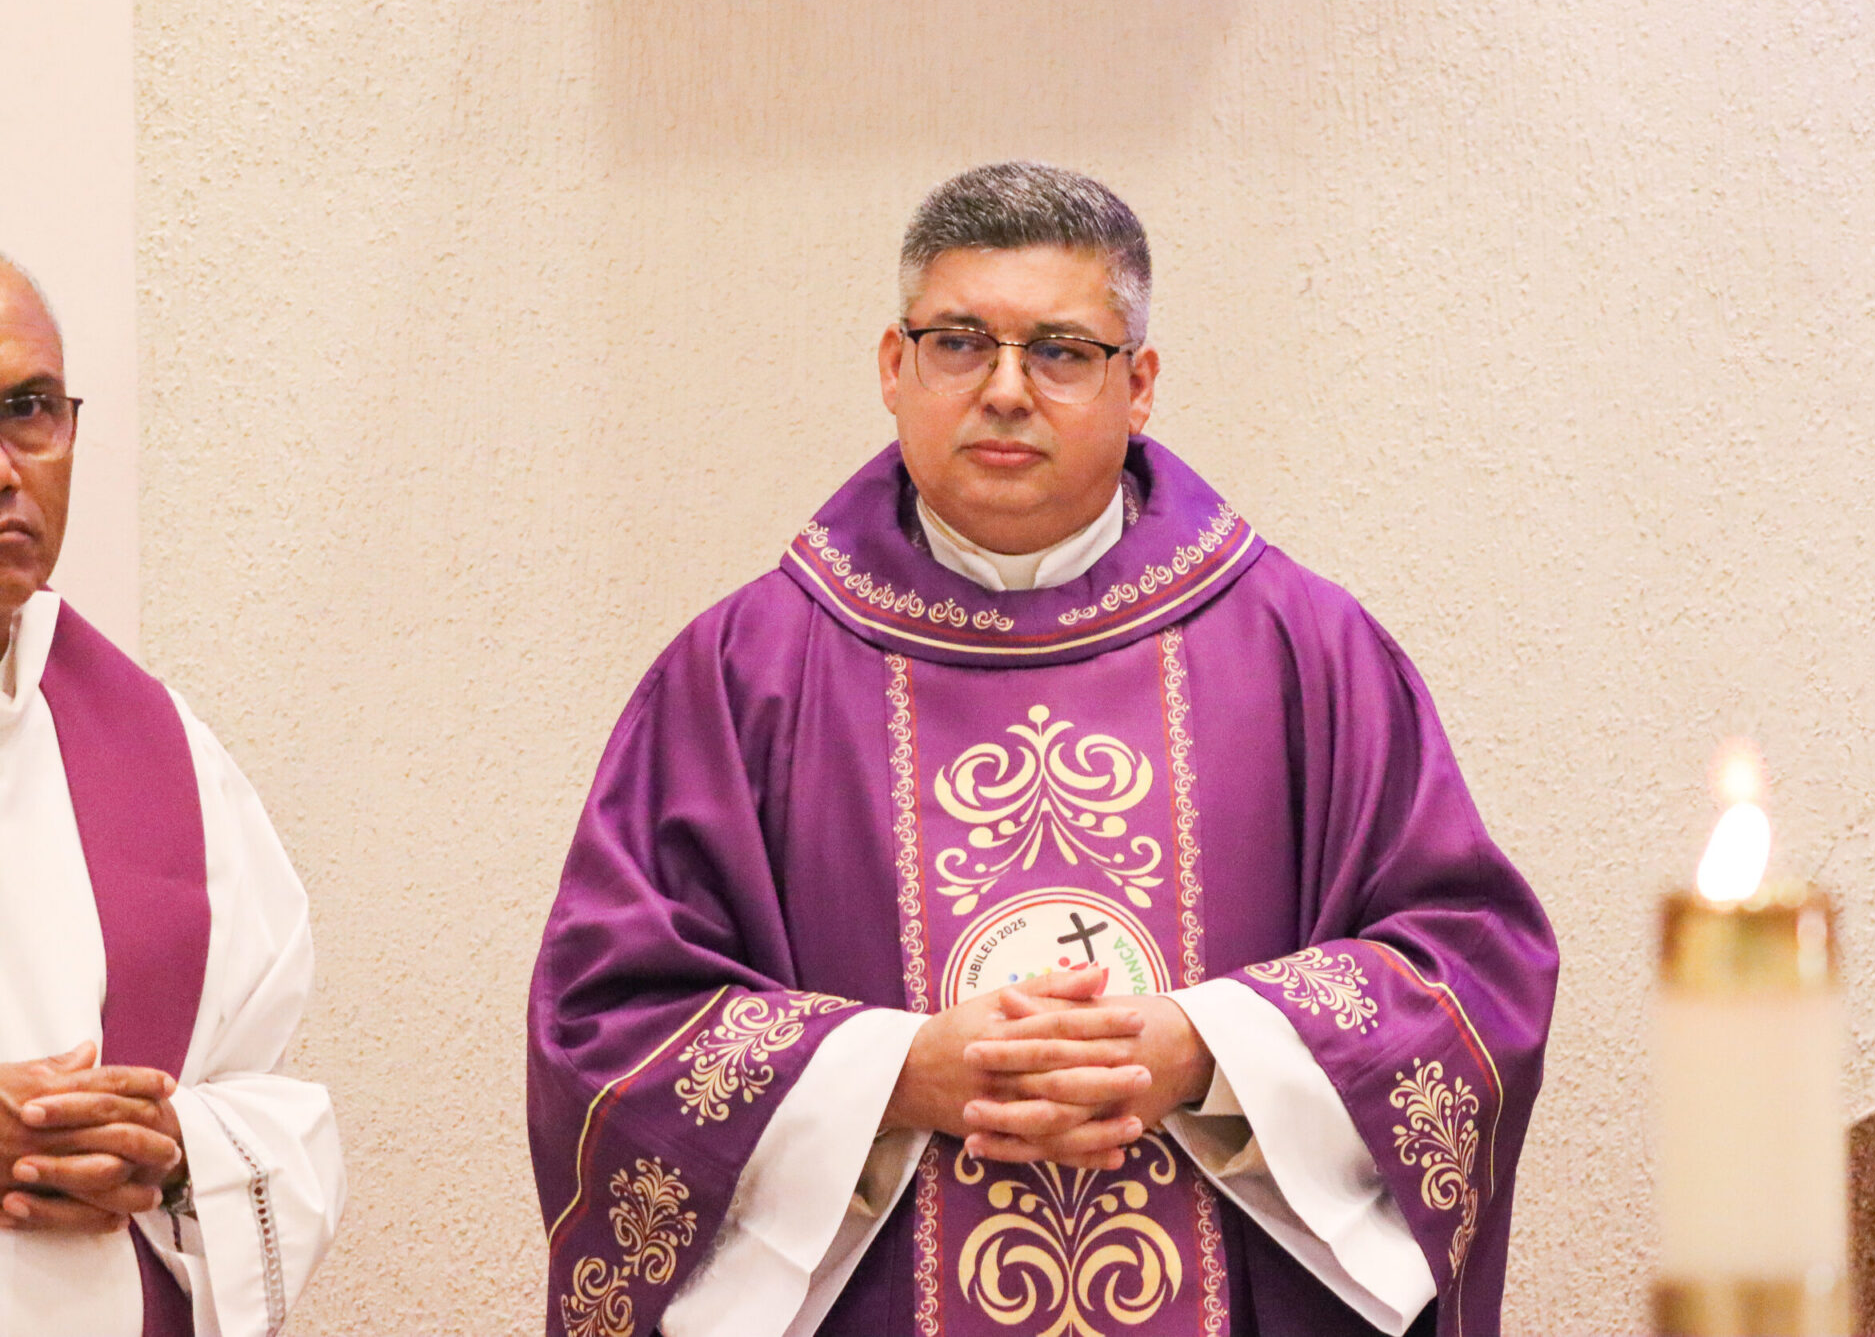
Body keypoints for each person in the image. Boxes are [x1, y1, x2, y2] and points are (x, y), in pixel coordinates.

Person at [528, 162, 1557, 1337]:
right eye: (959, 343)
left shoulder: (1305, 654)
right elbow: (608, 1027)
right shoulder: (741, 674)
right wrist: (895, 1074)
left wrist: (1206, 1052)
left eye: (1061, 351)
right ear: (893, 367)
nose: (1006, 390)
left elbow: (1467, 972)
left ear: (1138, 384)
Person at [0, 257, 344, 1336]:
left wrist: (173, 1149)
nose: (5, 469)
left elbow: (274, 1109)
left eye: (28, 409)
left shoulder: (160, 751)